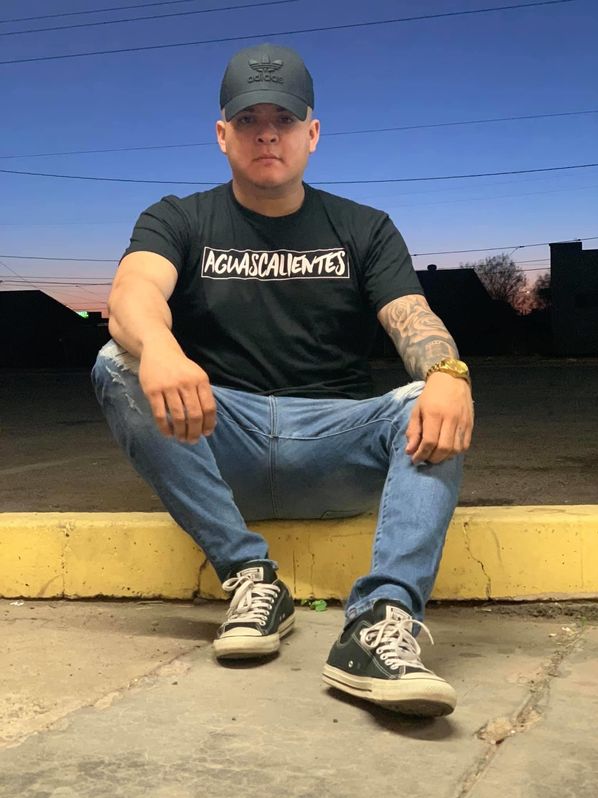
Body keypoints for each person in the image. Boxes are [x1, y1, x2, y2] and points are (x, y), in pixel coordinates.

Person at [92, 43, 474, 718]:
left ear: (312, 133)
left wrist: (447, 372)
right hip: (220, 439)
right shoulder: (179, 218)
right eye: (248, 120)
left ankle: (380, 622)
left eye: (285, 119)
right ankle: (251, 579)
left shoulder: (363, 227)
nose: (266, 134)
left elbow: (411, 316)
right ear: (222, 134)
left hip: (337, 443)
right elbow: (133, 292)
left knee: (435, 393)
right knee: (116, 360)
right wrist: (160, 346)